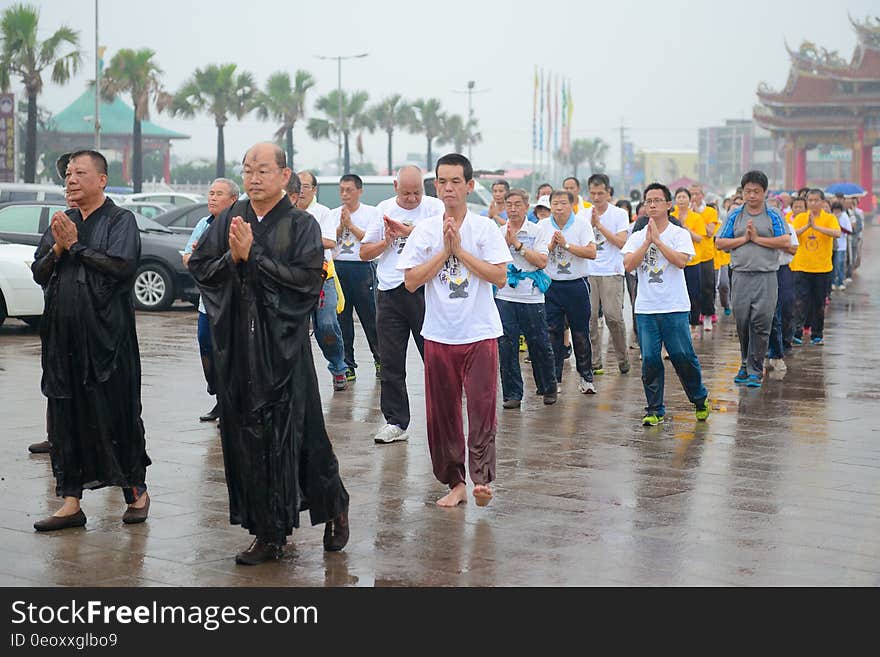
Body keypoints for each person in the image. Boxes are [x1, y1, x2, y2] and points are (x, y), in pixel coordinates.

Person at [189, 143, 349, 564]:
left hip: (283, 349)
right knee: (247, 436)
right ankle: (267, 528)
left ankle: (330, 504)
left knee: (300, 437)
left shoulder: (301, 225)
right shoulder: (230, 216)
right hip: (239, 347)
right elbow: (202, 267)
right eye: (247, 170)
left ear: (284, 175)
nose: (253, 178)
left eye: (262, 170)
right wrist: (234, 258)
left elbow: (305, 282)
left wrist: (252, 258)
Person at [30, 149, 151, 531]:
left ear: (101, 179)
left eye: (80, 172)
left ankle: (136, 492)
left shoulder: (120, 220)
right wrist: (59, 247)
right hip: (63, 338)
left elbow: (121, 266)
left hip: (107, 342)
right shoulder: (61, 222)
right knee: (67, 418)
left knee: (115, 415)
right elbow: (38, 271)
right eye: (67, 173)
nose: (70, 179)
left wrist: (76, 247)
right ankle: (70, 501)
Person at [397, 153, 510, 508]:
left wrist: (459, 251)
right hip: (439, 334)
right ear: (436, 185)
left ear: (469, 186)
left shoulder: (485, 228)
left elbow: (500, 276)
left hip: (479, 333)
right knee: (442, 413)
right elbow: (411, 281)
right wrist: (443, 252)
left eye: (455, 182)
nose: (448, 188)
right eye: (442, 182)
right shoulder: (426, 231)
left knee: (482, 408)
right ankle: (455, 481)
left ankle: (482, 480)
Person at [359, 165, 445, 443]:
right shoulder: (383, 209)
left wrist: (411, 231)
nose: (411, 198)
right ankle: (395, 421)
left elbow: (447, 242)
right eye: (406, 193)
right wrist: (387, 240)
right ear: (395, 186)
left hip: (425, 291)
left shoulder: (435, 208)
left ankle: (443, 418)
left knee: (434, 358)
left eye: (416, 192)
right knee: (391, 361)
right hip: (389, 293)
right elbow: (364, 253)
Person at [621, 183, 711, 426]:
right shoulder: (637, 236)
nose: (651, 204)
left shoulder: (678, 233)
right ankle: (654, 409)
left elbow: (682, 261)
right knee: (650, 359)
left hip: (674, 306)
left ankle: (699, 398)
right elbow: (628, 265)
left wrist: (659, 242)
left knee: (682, 356)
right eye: (648, 200)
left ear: (668, 205)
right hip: (646, 309)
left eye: (657, 200)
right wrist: (646, 243)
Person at [715, 170, 791, 388]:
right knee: (743, 321)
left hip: (766, 276)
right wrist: (744, 239)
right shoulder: (735, 215)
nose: (752, 196)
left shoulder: (773, 214)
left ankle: (755, 370)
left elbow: (785, 240)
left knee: (761, 322)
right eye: (748, 191)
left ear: (765, 192)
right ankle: (745, 362)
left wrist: (758, 239)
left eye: (756, 191)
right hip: (740, 274)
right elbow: (720, 242)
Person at [183, 178, 240, 422]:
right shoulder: (203, 224)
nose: (212, 198)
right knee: (206, 345)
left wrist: (207, 260)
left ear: (233, 200)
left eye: (219, 194)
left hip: (234, 303)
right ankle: (218, 394)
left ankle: (231, 406)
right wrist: (200, 257)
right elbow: (188, 258)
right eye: (210, 193)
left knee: (232, 353)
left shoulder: (239, 225)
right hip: (207, 303)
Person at [494, 188, 557, 408]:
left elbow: (541, 262)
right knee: (506, 345)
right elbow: (494, 261)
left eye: (517, 204)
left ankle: (548, 387)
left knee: (539, 342)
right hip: (505, 295)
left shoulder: (537, 232)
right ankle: (512, 394)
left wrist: (518, 246)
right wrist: (506, 242)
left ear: (526, 206)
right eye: (509, 204)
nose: (512, 209)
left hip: (531, 296)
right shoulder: (499, 232)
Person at [539, 189, 598, 394]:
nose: (558, 207)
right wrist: (552, 245)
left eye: (563, 203)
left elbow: (591, 252)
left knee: (580, 333)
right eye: (555, 203)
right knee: (552, 333)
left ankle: (586, 377)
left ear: (571, 205)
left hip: (576, 285)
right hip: (551, 285)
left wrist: (566, 244)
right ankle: (554, 379)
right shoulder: (543, 225)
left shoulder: (581, 224)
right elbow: (537, 255)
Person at [295, 170, 348, 391]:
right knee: (294, 329)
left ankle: (338, 367)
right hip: (293, 279)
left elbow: (328, 241)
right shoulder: (284, 212)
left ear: (314, 190)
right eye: (298, 186)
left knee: (325, 326)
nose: (301, 191)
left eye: (306, 186)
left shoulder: (323, 212)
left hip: (322, 277)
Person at [331, 174, 383, 381]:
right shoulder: (333, 214)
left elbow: (370, 240)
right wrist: (340, 227)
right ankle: (347, 364)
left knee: (370, 317)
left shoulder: (371, 213)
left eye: (349, 190)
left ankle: (380, 359)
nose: (345, 194)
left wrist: (350, 225)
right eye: (342, 190)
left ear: (359, 191)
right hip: (338, 268)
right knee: (342, 319)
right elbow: (327, 241)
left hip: (362, 269)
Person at [586, 173, 631, 375]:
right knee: (590, 318)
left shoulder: (619, 214)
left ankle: (622, 358)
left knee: (613, 317)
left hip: (611, 271)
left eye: (600, 193)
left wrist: (599, 225)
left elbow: (622, 243)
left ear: (608, 192)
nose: (596, 197)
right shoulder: (582, 214)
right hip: (589, 271)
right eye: (593, 193)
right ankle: (595, 361)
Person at [790, 189, 840, 346]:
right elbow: (792, 234)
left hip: (822, 268)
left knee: (819, 303)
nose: (813, 203)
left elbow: (837, 233)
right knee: (800, 301)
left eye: (816, 200)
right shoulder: (800, 218)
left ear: (822, 202)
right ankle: (796, 332)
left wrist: (816, 227)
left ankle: (817, 334)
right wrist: (807, 226)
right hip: (802, 266)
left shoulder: (829, 218)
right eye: (810, 200)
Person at [671, 188, 709, 333]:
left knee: (693, 293)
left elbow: (700, 238)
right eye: (678, 197)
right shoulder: (671, 216)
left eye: (684, 197)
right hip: (675, 261)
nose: (681, 200)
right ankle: (679, 325)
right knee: (676, 294)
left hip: (693, 261)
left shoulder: (696, 217)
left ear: (689, 200)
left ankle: (693, 324)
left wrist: (685, 228)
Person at [689, 183, 718, 325]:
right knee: (693, 288)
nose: (694, 197)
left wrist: (697, 215)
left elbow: (710, 232)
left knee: (707, 286)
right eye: (691, 194)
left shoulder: (710, 212)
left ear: (702, 195)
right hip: (690, 256)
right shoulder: (682, 212)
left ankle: (708, 315)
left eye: (697, 194)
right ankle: (693, 316)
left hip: (706, 254)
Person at [830, 201, 852, 291]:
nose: (836, 212)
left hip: (841, 245)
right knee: (833, 264)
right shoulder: (830, 217)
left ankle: (840, 282)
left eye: (838, 210)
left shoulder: (844, 217)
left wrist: (839, 227)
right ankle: (833, 282)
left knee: (839, 263)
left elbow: (849, 231)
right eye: (834, 210)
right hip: (831, 245)